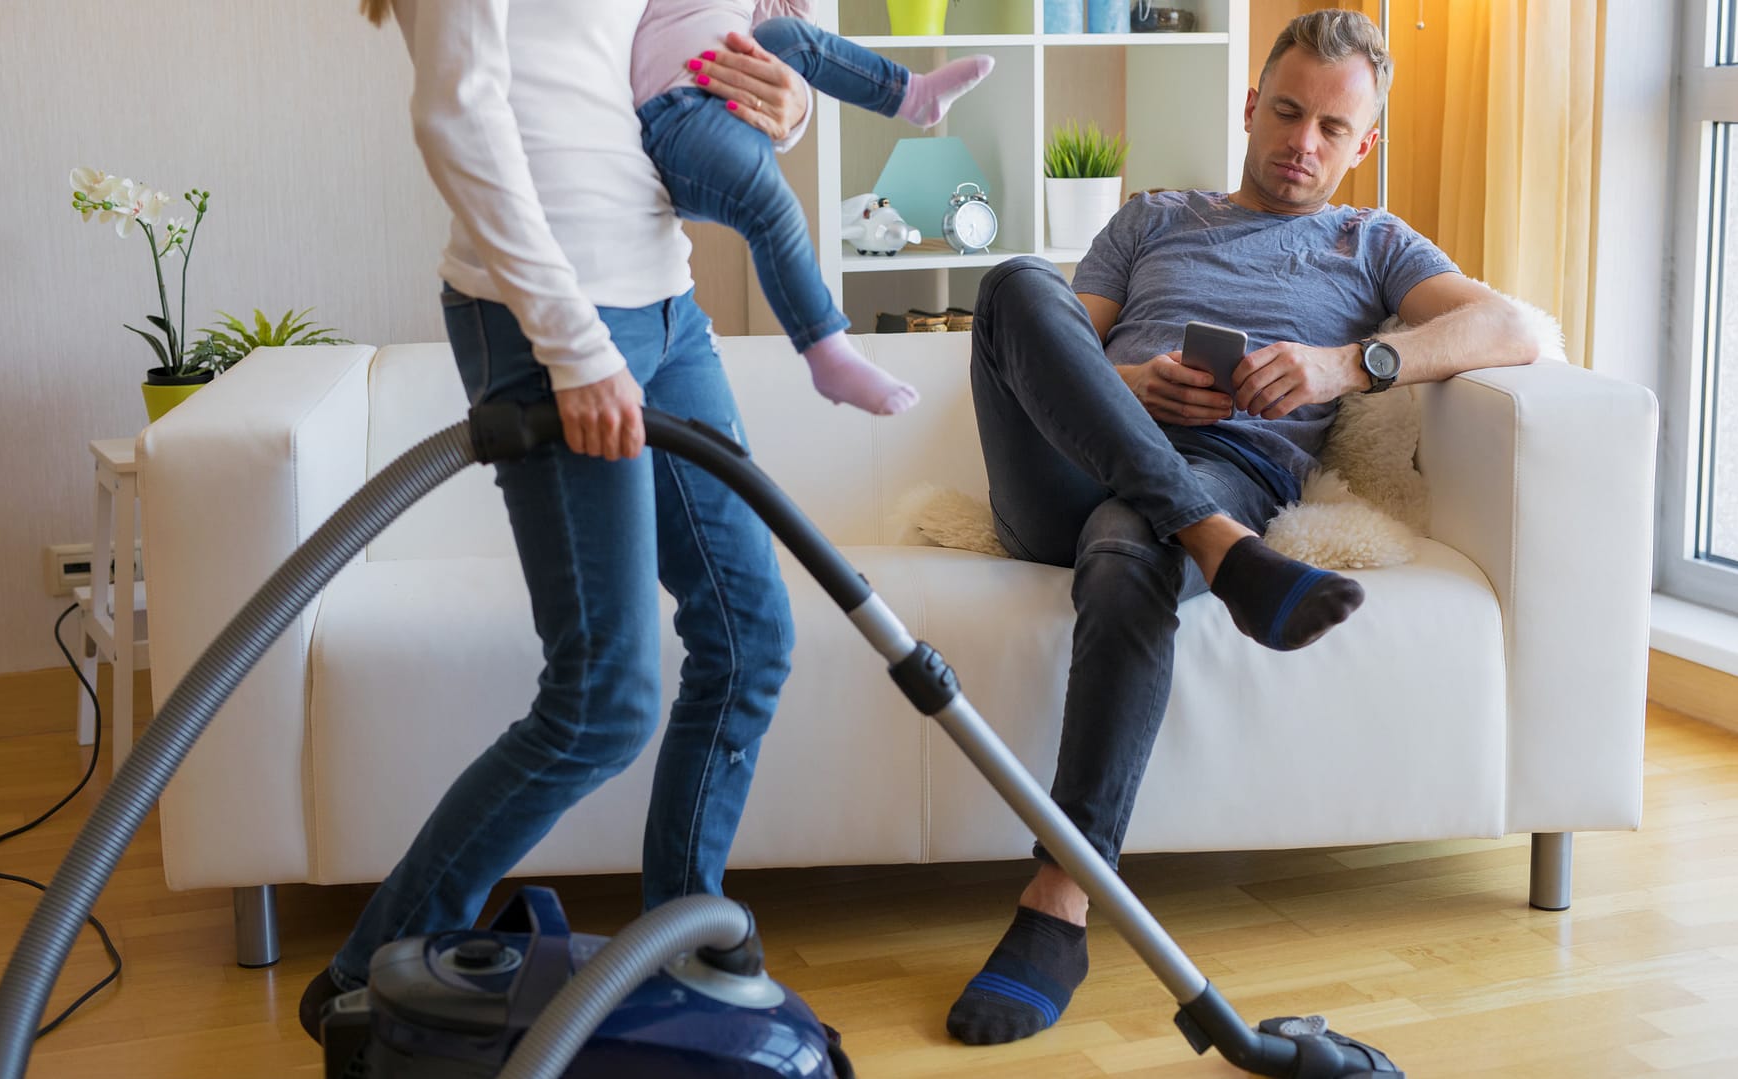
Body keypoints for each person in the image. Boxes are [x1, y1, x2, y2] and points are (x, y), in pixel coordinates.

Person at [944, 8, 1540, 1046]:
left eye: (1330, 129)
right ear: (1249, 104)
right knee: (1011, 285)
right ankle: (1221, 553)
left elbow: (1519, 326)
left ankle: (1060, 903)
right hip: (1064, 475)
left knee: (1135, 545)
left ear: (1363, 148)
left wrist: (1343, 365)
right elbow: (1047, 352)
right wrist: (1133, 384)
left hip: (1220, 473)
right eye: (1285, 111)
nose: (1300, 144)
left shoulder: (1373, 242)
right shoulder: (1149, 219)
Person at [298, 0, 815, 1040]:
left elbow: (653, 76)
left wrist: (782, 106)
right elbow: (459, 117)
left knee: (750, 634)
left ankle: (681, 932)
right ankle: (363, 978)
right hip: (549, 322)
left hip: (667, 301)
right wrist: (574, 346)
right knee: (601, 701)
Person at [633, 2, 994, 416]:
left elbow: (793, 34)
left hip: (732, 99)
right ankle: (828, 353)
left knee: (783, 36)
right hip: (672, 119)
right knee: (773, 207)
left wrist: (794, 103)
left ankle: (910, 94)